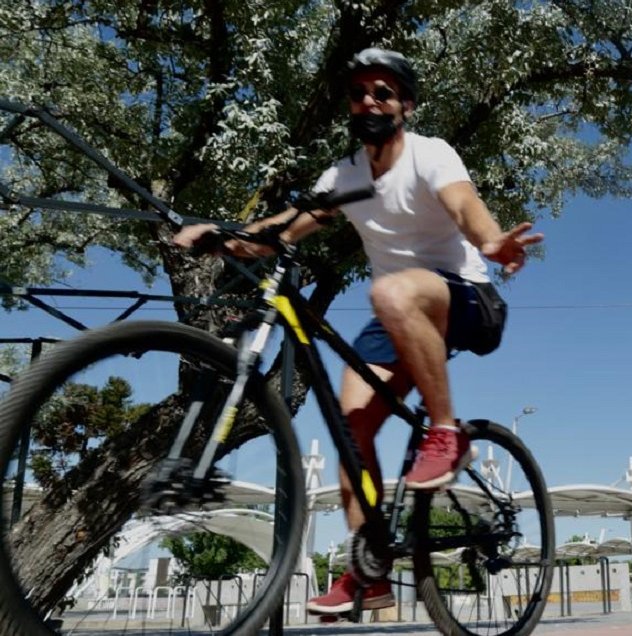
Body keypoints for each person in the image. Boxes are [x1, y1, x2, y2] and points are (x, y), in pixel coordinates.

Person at [174, 47, 543, 615]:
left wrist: (491, 241)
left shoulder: (431, 155)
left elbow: (466, 206)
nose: (369, 101)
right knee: (352, 429)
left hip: (466, 299)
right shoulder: (344, 176)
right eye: (359, 94)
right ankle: (369, 566)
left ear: (406, 106)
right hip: (397, 315)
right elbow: (282, 229)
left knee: (389, 290)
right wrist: (222, 236)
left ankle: (445, 434)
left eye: (383, 93)